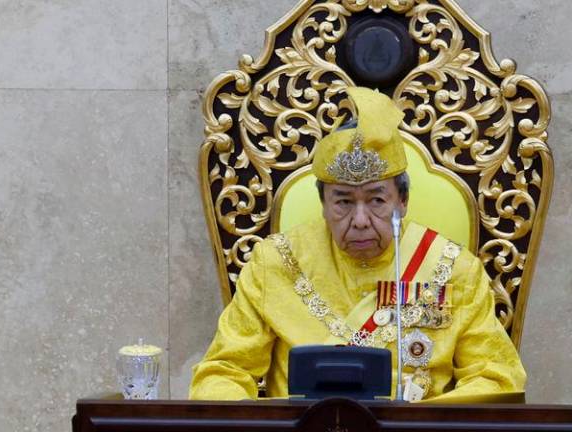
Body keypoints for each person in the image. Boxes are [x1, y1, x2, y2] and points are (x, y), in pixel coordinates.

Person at [189, 87, 526, 401]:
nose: (361, 219)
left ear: (402, 201)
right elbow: (224, 372)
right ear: (323, 204)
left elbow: (496, 379)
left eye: (377, 200)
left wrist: (418, 423)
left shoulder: (454, 268)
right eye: (344, 202)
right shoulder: (275, 262)